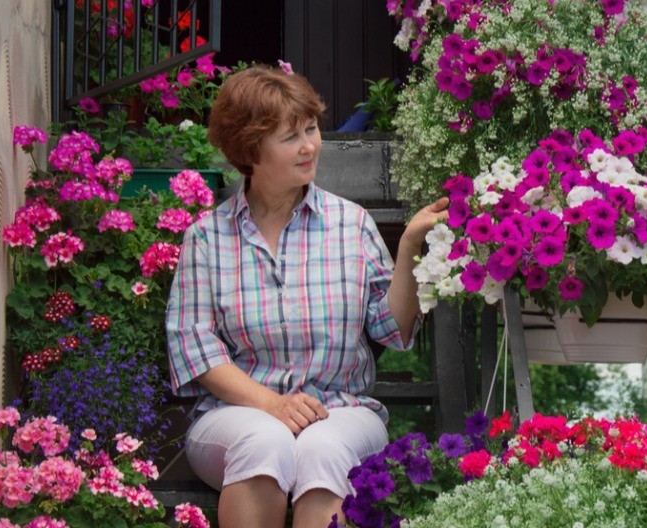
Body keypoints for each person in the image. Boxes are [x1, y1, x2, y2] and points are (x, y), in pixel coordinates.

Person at [165, 65, 448, 528]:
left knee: (321, 449)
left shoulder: (351, 224)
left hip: (341, 409)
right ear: (250, 150)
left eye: (311, 128)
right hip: (235, 414)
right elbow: (197, 350)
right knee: (264, 442)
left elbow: (391, 330)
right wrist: (272, 405)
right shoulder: (207, 237)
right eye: (290, 136)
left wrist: (411, 248)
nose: (310, 145)